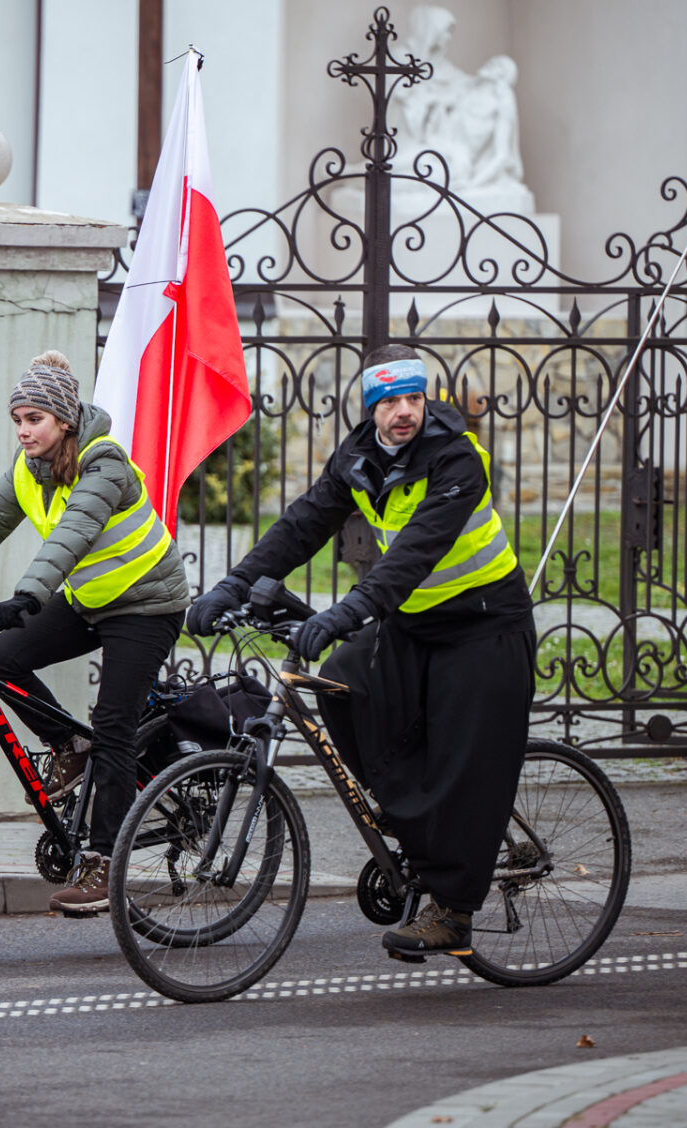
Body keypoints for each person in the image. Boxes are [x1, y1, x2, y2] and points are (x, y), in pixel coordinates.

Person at [183, 343, 536, 957]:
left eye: (414, 398)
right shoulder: (359, 458)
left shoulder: (458, 458)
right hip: (416, 622)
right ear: (371, 407)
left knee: (462, 755)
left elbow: (412, 555)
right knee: (344, 683)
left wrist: (345, 613)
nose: (405, 412)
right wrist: (233, 584)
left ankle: (453, 911)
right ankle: (413, 820)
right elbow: (303, 524)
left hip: (485, 625)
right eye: (391, 401)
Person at [0, 350, 190, 914]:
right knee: (1, 660)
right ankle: (70, 745)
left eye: (34, 419)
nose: (23, 431)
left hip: (147, 605)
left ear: (64, 421)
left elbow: (72, 534)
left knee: (114, 725)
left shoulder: (104, 463)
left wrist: (28, 594)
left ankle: (104, 865)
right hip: (91, 599)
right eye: (17, 420)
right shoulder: (27, 470)